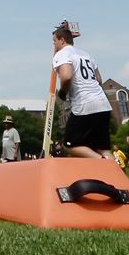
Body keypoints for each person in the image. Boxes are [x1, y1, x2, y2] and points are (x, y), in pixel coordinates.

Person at [51, 25, 114, 160]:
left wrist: (62, 92)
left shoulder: (62, 54)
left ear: (61, 40)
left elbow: (67, 76)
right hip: (103, 104)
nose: (54, 45)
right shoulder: (86, 54)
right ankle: (116, 173)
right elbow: (99, 79)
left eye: (54, 41)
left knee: (69, 144)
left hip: (85, 105)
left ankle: (102, 162)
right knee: (103, 148)